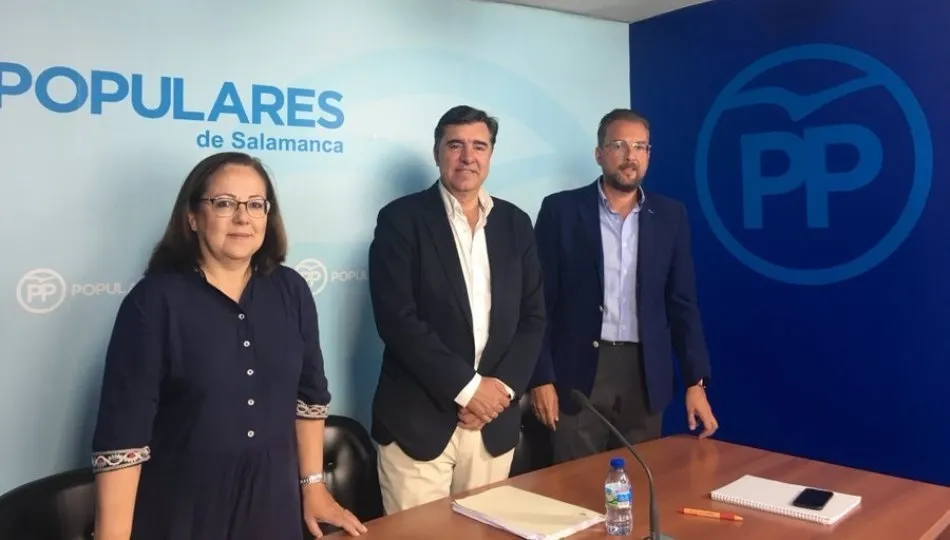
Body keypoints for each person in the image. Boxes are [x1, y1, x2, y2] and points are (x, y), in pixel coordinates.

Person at [90, 151, 367, 540]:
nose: (242, 217)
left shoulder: (292, 290)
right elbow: (123, 438)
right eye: (224, 203)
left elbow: (310, 399)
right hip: (184, 510)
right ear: (192, 217)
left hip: (274, 506)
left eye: (256, 204)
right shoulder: (153, 302)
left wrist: (313, 486)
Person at [367, 105, 546, 514]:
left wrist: (498, 392)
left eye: (479, 146)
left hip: (492, 425)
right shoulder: (400, 219)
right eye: (456, 145)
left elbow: (534, 318)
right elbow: (397, 320)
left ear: (491, 155)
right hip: (419, 422)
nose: (468, 157)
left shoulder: (516, 223)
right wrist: (469, 389)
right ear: (437, 152)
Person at [527, 108, 719, 464]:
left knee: (637, 485)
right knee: (573, 488)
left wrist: (696, 382)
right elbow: (538, 302)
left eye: (640, 147)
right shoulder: (561, 211)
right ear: (599, 154)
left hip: (644, 374)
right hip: (577, 373)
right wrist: (540, 378)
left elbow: (682, 304)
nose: (631, 156)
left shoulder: (670, 215)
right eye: (619, 145)